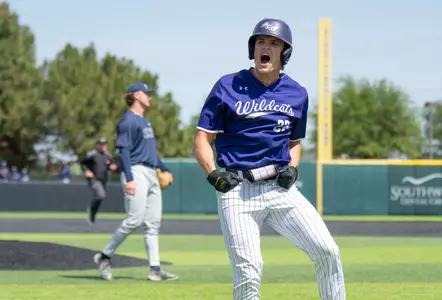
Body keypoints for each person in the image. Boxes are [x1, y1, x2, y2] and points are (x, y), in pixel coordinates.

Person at [193, 18, 346, 300]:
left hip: (279, 189)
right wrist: (213, 173)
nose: (266, 47)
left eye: (274, 43)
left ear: (284, 53)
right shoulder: (228, 85)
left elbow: (294, 143)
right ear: (252, 49)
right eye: (261, 42)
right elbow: (202, 138)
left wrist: (293, 167)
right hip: (237, 190)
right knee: (249, 273)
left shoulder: (297, 93)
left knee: (328, 251)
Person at [93, 82, 178, 281]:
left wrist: (165, 169)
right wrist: (129, 179)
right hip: (137, 173)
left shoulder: (145, 122)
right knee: (134, 220)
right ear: (136, 95)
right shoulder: (128, 121)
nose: (149, 97)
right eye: (146, 93)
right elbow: (123, 151)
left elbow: (151, 153)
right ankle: (105, 256)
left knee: (152, 224)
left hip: (151, 172)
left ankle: (155, 270)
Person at [80, 138, 117, 224]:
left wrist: (112, 167)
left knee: (100, 197)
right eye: (101, 144)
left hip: (103, 180)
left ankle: (92, 214)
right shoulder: (92, 155)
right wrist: (86, 171)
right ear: (97, 145)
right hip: (94, 179)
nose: (103, 146)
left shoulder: (108, 155)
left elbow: (110, 165)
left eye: (104, 144)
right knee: (101, 195)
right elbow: (82, 163)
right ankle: (91, 210)